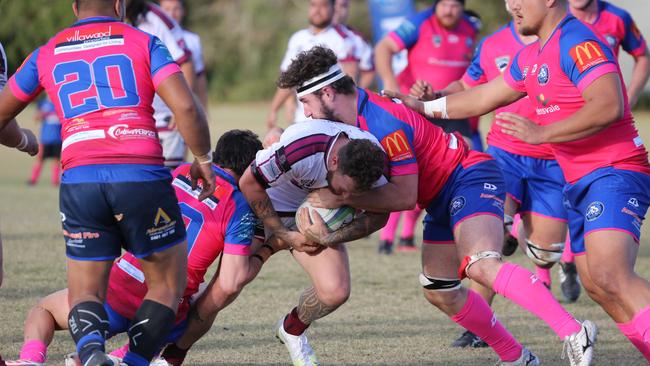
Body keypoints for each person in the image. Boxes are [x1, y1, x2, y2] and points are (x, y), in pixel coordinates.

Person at [283, 45, 599, 365]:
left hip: (467, 176)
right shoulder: (349, 127)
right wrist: (329, 233)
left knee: (480, 264)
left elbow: (404, 197)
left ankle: (574, 331)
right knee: (439, 289)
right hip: (438, 197)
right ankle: (517, 357)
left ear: (326, 93)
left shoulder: (381, 121)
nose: (306, 113)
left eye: (306, 102)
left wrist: (338, 197)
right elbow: (381, 211)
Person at [386, 0, 650, 361]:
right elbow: (482, 96)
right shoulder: (531, 56)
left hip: (614, 170)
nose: (511, 5)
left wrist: (543, 134)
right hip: (579, 180)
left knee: (610, 274)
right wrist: (423, 108)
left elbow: (609, 104)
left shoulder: (577, 41)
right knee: (598, 285)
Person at [1, 1, 215, 365]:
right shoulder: (144, 41)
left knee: (86, 291)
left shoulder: (46, 52)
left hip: (80, 180)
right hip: (140, 175)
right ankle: (132, 362)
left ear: (73, 6)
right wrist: (204, 159)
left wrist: (25, 140)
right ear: (119, 4)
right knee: (166, 285)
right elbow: (187, 108)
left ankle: (90, 352)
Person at [6, 130, 272, 366]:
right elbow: (230, 283)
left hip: (122, 283)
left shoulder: (180, 172)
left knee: (44, 311)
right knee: (202, 300)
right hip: (167, 305)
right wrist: (268, 249)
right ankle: (127, 356)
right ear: (249, 169)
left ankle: (31, 359)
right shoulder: (239, 207)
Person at [412, 0, 572, 347]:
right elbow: (469, 85)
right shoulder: (492, 44)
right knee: (485, 247)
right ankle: (479, 327)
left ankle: (542, 251)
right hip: (503, 155)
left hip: (552, 159)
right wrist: (436, 95)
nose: (514, 6)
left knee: (545, 252)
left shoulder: (566, 42)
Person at [239, 120, 389, 366]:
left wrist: (328, 237)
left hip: (311, 222)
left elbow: (380, 215)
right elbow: (249, 183)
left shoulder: (372, 166)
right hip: (267, 208)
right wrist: (283, 235)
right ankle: (169, 352)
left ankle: (292, 329)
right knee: (232, 281)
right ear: (334, 162)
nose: (345, 196)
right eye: (343, 189)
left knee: (335, 291)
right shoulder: (304, 149)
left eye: (353, 194)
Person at [557, 0, 650, 301]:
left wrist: (629, 95)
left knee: (609, 275)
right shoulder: (555, 18)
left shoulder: (617, 18)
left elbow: (642, 56)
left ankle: (569, 260)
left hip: (609, 131)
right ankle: (567, 260)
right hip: (565, 130)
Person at [374, 0, 479, 253]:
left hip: (453, 108)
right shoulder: (420, 23)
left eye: (455, 5)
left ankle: (410, 235)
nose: (449, 10)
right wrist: (390, 81)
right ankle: (388, 236)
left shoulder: (470, 28)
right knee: (410, 170)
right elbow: (384, 47)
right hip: (418, 108)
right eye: (444, 4)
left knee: (452, 172)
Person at [266, 0, 359, 129]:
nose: (317, 10)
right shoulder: (297, 38)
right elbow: (289, 78)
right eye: (313, 5)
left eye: (323, 5)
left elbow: (351, 79)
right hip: (302, 118)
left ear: (333, 8)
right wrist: (277, 107)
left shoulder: (343, 39)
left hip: (332, 120)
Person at [127, 0, 196, 169]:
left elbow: (185, 62)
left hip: (162, 117)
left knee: (167, 182)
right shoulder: (107, 18)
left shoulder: (157, 19)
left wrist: (179, 108)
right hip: (126, 119)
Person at [159, 0, 209, 111]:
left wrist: (203, 110)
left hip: (183, 105)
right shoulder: (152, 37)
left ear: (183, 11)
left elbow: (199, 77)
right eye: (166, 9)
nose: (171, 14)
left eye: (176, 9)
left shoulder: (192, 39)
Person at [332, 0, 375, 88]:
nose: (337, 9)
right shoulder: (303, 36)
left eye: (343, 6)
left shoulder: (356, 39)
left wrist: (355, 95)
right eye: (333, 4)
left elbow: (368, 71)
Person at [28, 96, 62, 186]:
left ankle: (55, 181)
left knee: (56, 160)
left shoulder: (60, 103)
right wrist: (42, 115)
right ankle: (33, 180)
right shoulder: (42, 103)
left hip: (58, 138)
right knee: (40, 159)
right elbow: (36, 118)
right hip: (45, 138)